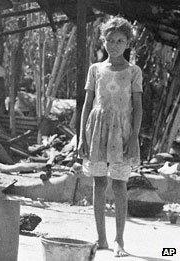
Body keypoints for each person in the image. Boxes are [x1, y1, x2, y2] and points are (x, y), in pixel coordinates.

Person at [78, 17, 142, 257]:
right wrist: (81, 138)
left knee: (119, 184)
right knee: (99, 182)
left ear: (128, 44)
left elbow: (138, 107)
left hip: (122, 132)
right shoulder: (95, 70)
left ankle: (119, 240)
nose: (114, 45)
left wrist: (134, 137)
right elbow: (86, 104)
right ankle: (101, 238)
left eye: (120, 41)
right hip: (96, 131)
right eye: (110, 40)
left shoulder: (134, 71)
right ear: (103, 41)